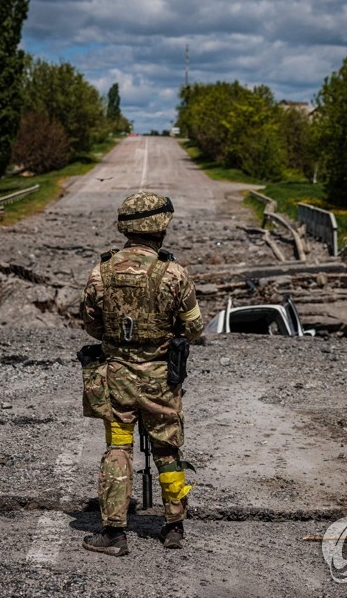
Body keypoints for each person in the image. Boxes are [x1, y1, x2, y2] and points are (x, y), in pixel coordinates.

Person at [79, 191, 204, 556]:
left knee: (118, 447)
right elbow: (194, 328)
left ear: (126, 227)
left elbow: (91, 326)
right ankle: (173, 526)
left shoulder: (101, 271)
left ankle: (114, 533)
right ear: (160, 227)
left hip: (116, 378)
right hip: (161, 381)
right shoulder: (173, 273)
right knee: (167, 448)